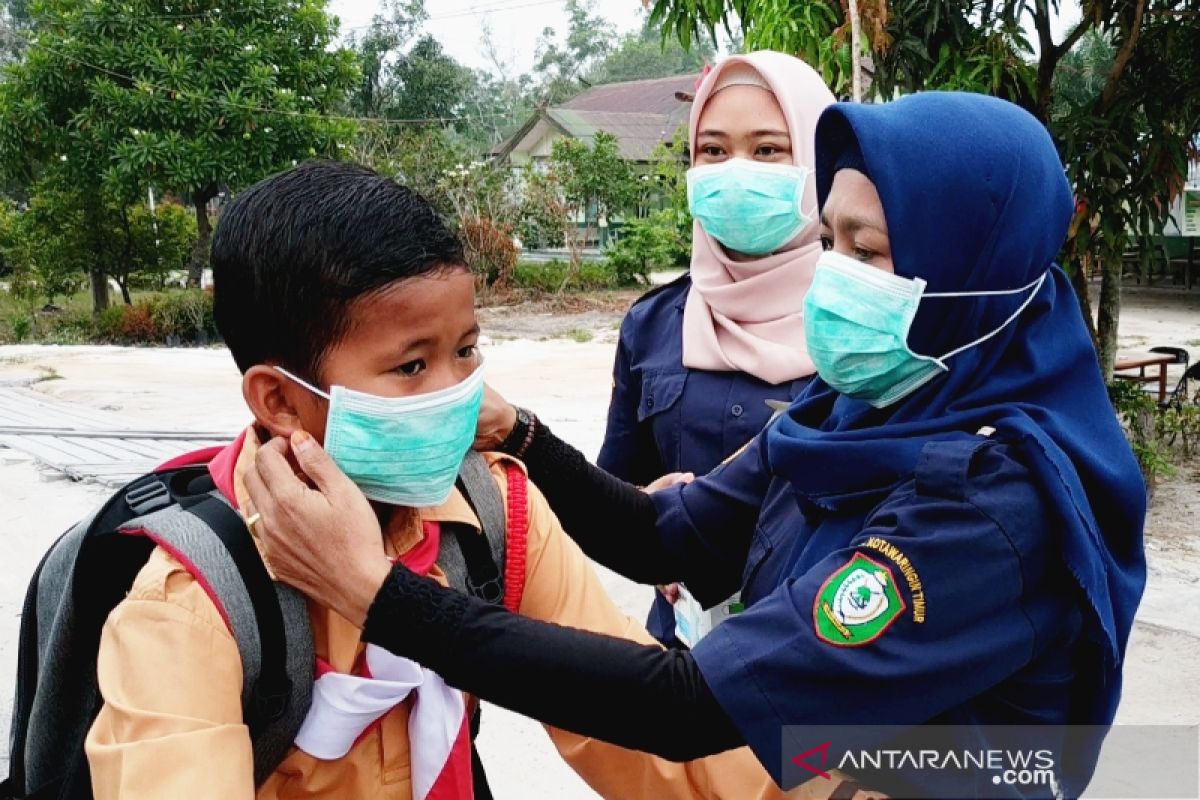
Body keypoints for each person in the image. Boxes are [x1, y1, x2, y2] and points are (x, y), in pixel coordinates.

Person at [246, 93, 1147, 798]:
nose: (829, 275)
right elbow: (664, 536)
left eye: (867, 253)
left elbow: (684, 708)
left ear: (972, 273)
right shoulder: (864, 404)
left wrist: (377, 595)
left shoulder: (994, 501)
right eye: (827, 239)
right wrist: (521, 434)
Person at [83, 160, 820, 800]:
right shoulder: (193, 607)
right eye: (412, 366)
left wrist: (904, 767)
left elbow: (666, 740)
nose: (456, 393)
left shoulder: (496, 516)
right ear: (278, 400)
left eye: (466, 350)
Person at [596, 52, 833, 646]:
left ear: (814, 159)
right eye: (714, 151)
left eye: (768, 150)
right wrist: (639, 519)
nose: (737, 172)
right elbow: (615, 488)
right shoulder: (654, 323)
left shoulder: (859, 318)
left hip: (820, 653)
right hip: (682, 657)